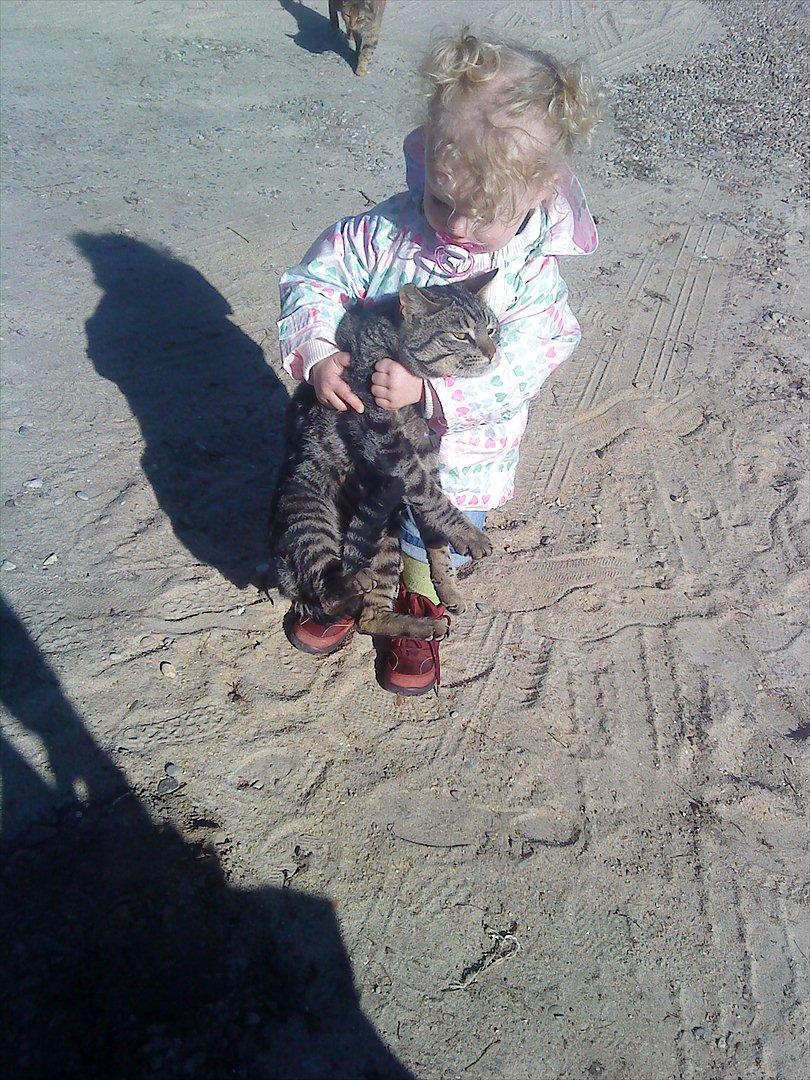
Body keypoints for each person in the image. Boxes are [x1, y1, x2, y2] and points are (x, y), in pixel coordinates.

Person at [277, 28, 600, 695]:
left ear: (540, 190)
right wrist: (316, 355)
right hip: (363, 442)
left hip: (461, 456)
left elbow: (533, 359)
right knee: (347, 517)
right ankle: (340, 591)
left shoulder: (531, 277)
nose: (453, 226)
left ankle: (415, 604)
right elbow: (314, 279)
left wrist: (433, 394)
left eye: (479, 213)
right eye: (440, 198)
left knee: (429, 538)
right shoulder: (384, 231)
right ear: (428, 160)